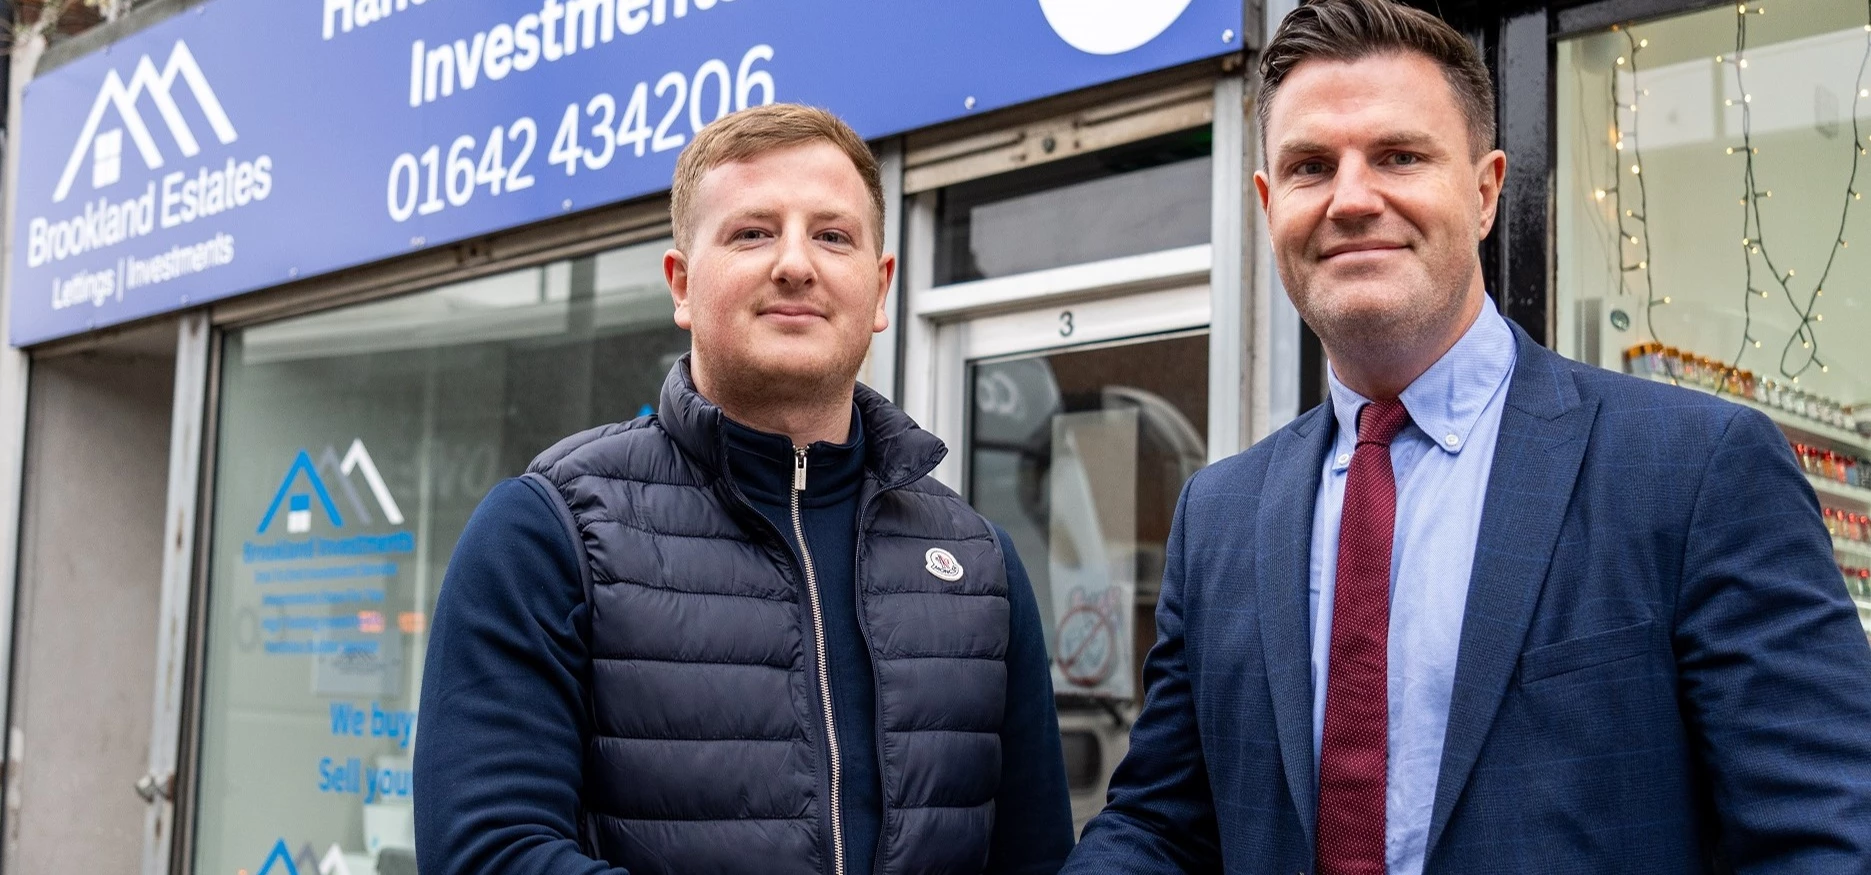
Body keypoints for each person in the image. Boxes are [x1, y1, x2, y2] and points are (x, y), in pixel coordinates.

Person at [1060, 1, 1871, 873]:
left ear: (1485, 192)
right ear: (1267, 206)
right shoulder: (1217, 515)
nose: (1352, 197)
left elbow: (1820, 836)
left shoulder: (1697, 469)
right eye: (1309, 166)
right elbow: (1161, 824)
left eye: (1399, 156)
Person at [413, 104, 1074, 875]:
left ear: (881, 287)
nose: (795, 263)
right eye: (753, 232)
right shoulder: (546, 533)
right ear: (682, 284)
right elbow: (488, 854)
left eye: (832, 235)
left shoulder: (978, 565)